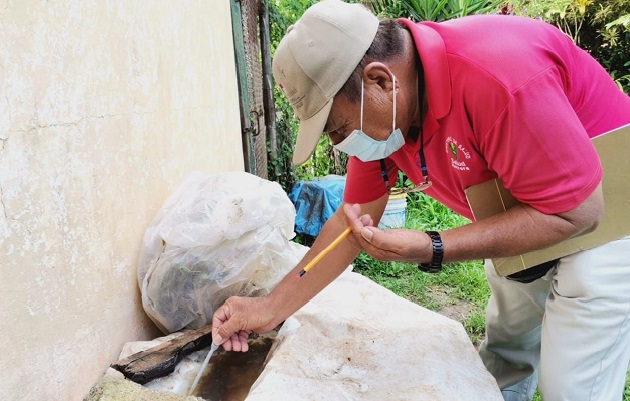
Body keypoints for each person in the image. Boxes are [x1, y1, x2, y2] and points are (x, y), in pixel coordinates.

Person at [212, 1, 630, 400]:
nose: (341, 145)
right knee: (506, 352)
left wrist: (434, 247)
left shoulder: (500, 76)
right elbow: (349, 225)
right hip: (519, 206)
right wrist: (269, 308)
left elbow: (578, 211)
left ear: (379, 80)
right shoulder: (389, 115)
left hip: (606, 213)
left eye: (337, 128)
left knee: (573, 386)